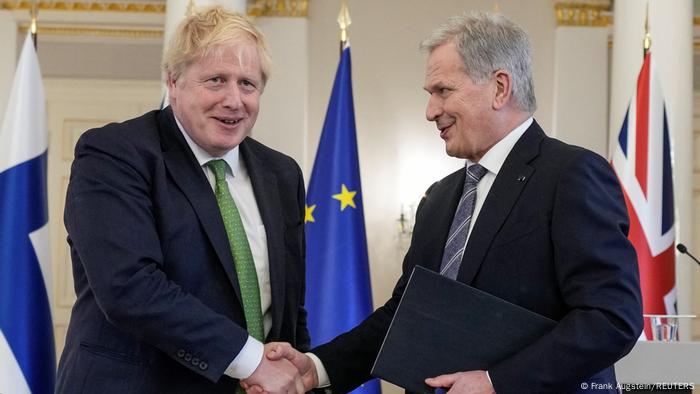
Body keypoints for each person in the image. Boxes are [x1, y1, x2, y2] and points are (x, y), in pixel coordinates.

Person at [254, 11, 643, 394]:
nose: (431, 111)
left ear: (500, 87)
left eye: (443, 91)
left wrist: (495, 383)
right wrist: (319, 368)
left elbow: (610, 318)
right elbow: (405, 316)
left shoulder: (571, 175)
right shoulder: (439, 198)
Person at [55, 6, 308, 394]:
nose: (234, 100)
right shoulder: (114, 154)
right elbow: (129, 287)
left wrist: (294, 375)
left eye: (248, 84)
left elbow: (290, 307)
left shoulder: (283, 173)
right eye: (216, 80)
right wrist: (252, 362)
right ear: (173, 82)